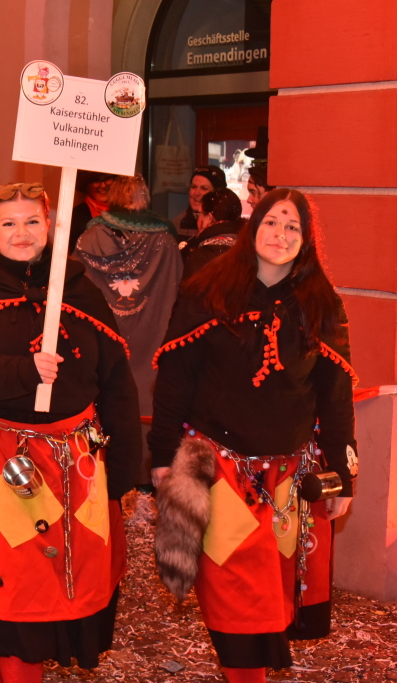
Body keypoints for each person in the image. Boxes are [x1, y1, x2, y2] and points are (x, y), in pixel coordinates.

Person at [0, 182, 141, 682]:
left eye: (31, 222)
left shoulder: (79, 287)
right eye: (8, 223)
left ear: (50, 226)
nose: (21, 233)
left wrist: (126, 467)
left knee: (65, 593)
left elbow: (115, 380)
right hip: (5, 464)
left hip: (78, 465)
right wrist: (24, 371)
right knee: (14, 599)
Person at [150, 189, 357, 683]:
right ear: (252, 228)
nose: (281, 235)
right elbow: (174, 380)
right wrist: (161, 457)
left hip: (290, 477)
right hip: (218, 469)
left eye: (293, 227)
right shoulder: (207, 291)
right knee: (236, 591)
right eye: (272, 223)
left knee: (276, 595)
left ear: (306, 240)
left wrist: (343, 477)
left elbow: (335, 396)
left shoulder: (322, 303)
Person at [74, 175, 182, 482]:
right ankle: (148, 473)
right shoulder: (165, 240)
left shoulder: (89, 239)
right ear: (144, 196)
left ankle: (107, 470)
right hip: (154, 329)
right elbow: (177, 289)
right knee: (150, 398)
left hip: (107, 334)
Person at [180, 188, 244, 279]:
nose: (198, 220)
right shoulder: (249, 250)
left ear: (209, 218)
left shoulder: (201, 256)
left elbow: (190, 291)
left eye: (199, 214)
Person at [68, 171, 115, 255]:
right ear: (88, 186)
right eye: (96, 181)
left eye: (107, 179)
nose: (103, 185)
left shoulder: (125, 212)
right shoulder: (75, 216)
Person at [175, 166, 227, 241]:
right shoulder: (177, 224)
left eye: (204, 188)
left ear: (218, 193)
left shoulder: (228, 226)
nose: (196, 193)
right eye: (193, 187)